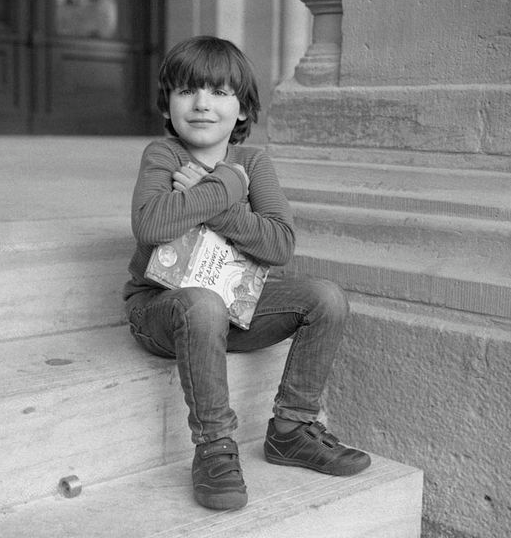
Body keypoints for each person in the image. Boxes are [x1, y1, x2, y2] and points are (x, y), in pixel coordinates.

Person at [124, 35, 371, 511]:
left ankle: (292, 428)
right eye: (186, 91)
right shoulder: (163, 155)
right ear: (168, 102)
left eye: (219, 92)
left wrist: (213, 195)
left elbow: (279, 244)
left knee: (326, 297)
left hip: (235, 306)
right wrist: (227, 187)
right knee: (202, 304)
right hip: (162, 311)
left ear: (241, 109)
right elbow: (151, 224)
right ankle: (215, 447)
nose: (201, 104)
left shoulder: (253, 163)